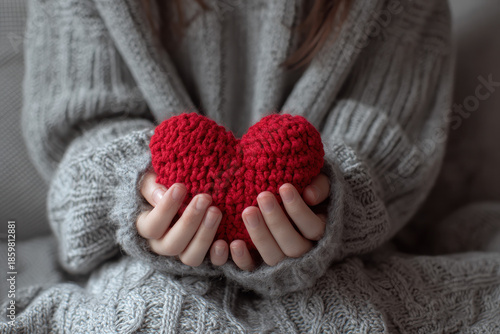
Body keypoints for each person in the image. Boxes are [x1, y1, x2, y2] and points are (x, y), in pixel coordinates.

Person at [2, 0, 500, 332]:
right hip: (137, 267)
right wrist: (136, 192)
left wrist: (334, 199)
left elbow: (390, 131)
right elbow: (80, 123)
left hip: (344, 264)